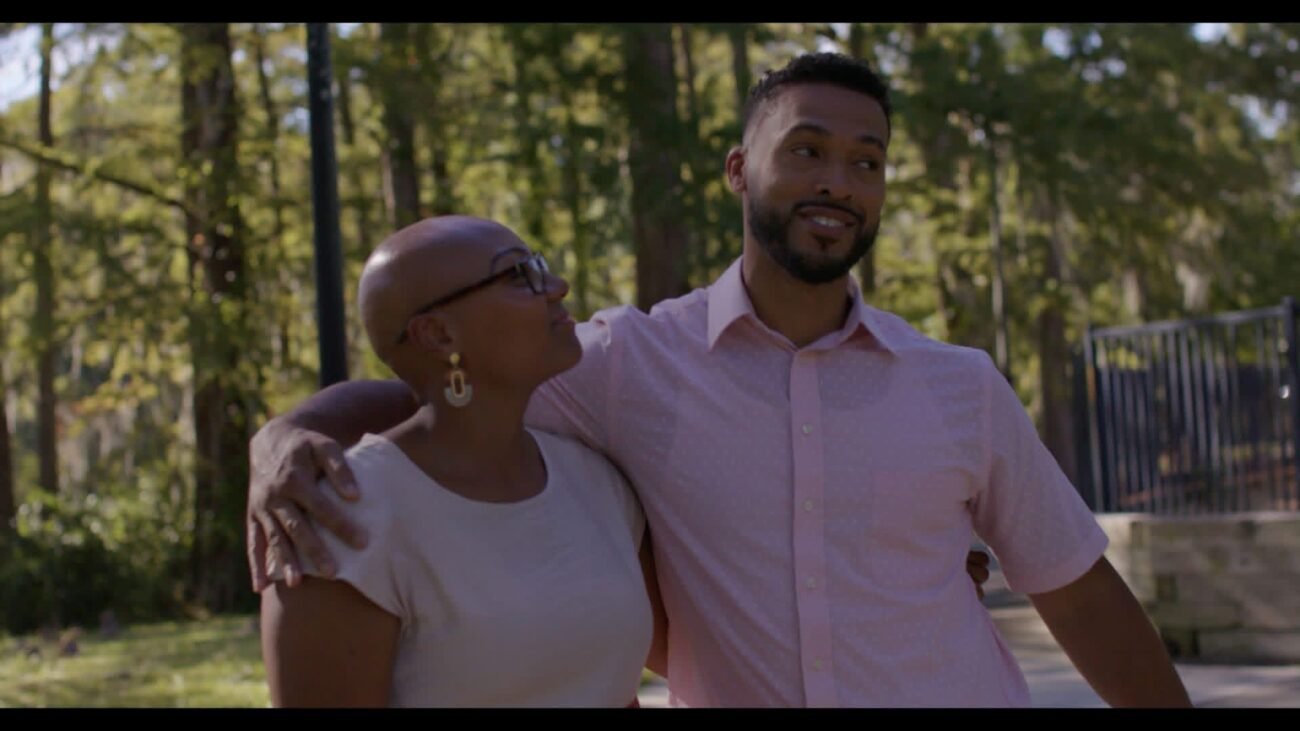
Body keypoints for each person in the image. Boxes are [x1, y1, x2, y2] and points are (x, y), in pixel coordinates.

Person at [248, 52, 1191, 707]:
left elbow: (1078, 591)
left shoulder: (960, 386)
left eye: (867, 162)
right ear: (740, 169)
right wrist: (286, 435)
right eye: (807, 150)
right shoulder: (627, 365)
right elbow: (444, 396)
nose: (839, 181)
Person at [259, 215, 666, 707]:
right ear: (438, 335)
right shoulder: (341, 516)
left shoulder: (597, 484)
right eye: (519, 275)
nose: (557, 286)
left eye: (540, 266)